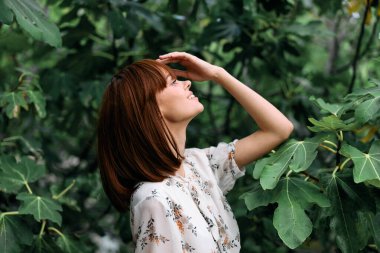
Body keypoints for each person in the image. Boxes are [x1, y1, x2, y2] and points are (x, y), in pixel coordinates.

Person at [97, 52, 293, 252]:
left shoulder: (199, 164)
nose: (187, 83)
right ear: (151, 108)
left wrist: (218, 73)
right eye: (172, 82)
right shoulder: (153, 198)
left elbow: (278, 129)